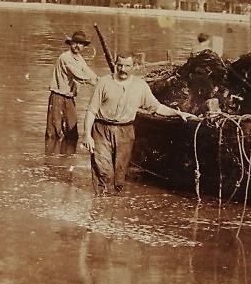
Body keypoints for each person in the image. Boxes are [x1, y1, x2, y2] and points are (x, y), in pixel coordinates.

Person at [83, 53, 194, 196]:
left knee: (120, 174)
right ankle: (102, 203)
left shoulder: (140, 86)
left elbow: (157, 107)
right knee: (103, 171)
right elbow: (91, 111)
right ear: (116, 65)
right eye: (120, 65)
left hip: (125, 131)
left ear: (134, 66)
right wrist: (87, 135)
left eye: (127, 66)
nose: (123, 69)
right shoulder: (103, 82)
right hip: (101, 130)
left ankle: (114, 203)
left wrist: (178, 113)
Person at [45, 30, 98, 146]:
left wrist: (102, 81)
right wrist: (96, 83)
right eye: (75, 43)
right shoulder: (65, 57)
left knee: (72, 131)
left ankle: (67, 152)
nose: (77, 46)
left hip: (69, 98)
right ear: (70, 43)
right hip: (58, 97)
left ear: (83, 46)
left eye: (80, 44)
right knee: (54, 132)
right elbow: (79, 76)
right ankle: (52, 154)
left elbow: (88, 72)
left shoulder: (80, 59)